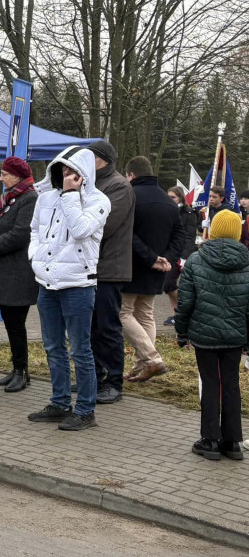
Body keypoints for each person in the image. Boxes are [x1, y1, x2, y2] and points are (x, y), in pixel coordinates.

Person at [27, 146, 111, 431]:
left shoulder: (99, 200)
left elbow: (80, 230)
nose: (67, 175)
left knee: (80, 350)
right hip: (47, 282)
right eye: (62, 170)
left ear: (85, 173)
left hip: (78, 284)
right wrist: (35, 259)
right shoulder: (46, 197)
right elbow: (35, 231)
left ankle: (86, 410)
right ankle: (60, 402)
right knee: (52, 346)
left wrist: (71, 196)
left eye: (73, 171)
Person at [174, 208, 247, 461]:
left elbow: (184, 302)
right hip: (236, 336)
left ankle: (210, 440)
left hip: (204, 335)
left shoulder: (196, 259)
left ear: (212, 230)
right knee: (231, 384)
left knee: (210, 384)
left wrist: (181, 332)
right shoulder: (247, 261)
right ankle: (233, 442)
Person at [120, 156, 185, 382]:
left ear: (131, 175)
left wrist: (151, 258)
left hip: (132, 265)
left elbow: (126, 232)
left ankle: (152, 358)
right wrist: (167, 259)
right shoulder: (168, 201)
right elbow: (180, 235)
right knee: (145, 314)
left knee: (123, 312)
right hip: (157, 269)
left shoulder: (130, 196)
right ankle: (142, 366)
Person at [0, 157, 39, 392]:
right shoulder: (8, 198)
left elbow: (21, 234)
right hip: (4, 270)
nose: (0, 178)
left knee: (16, 324)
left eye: (4, 174)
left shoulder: (30, 198)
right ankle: (16, 368)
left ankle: (22, 372)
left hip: (18, 272)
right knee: (10, 323)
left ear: (17, 175)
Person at [86, 139, 134, 405]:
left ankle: (114, 381)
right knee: (90, 327)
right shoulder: (91, 184)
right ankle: (93, 376)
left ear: (102, 159)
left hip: (109, 268)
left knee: (107, 327)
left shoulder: (118, 186)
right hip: (90, 268)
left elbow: (103, 225)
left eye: (89, 157)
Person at [164, 186, 199, 326]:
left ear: (180, 198)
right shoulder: (167, 210)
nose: (169, 199)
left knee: (176, 284)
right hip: (170, 253)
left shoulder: (188, 213)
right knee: (168, 285)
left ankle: (186, 312)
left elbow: (189, 236)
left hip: (182, 254)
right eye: (168, 196)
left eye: (173, 197)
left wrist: (186, 257)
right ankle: (176, 313)